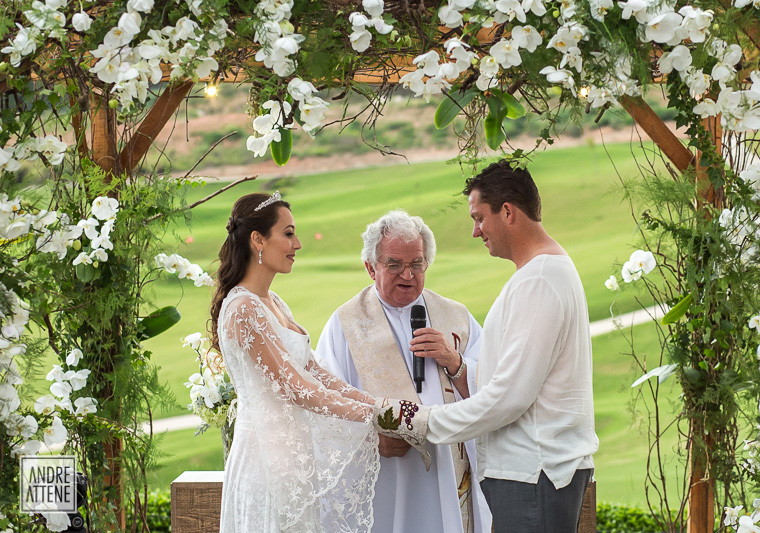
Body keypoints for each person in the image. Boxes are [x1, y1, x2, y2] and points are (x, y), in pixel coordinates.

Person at [418, 161, 600, 532]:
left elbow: (511, 396)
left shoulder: (541, 280)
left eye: (479, 218)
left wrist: (425, 422)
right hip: (531, 475)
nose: (475, 231)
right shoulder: (539, 274)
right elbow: (514, 378)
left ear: (508, 212)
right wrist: (458, 366)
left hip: (534, 475)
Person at [210, 191, 393, 533]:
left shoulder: (274, 301)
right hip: (264, 461)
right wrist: (373, 415)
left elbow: (316, 374)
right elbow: (295, 387)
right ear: (257, 239)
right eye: (289, 233)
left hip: (294, 464)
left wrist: (378, 403)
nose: (298, 243)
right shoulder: (244, 308)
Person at [316, 210, 492, 533]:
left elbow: (494, 389)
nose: (408, 275)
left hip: (447, 470)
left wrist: (454, 362)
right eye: (394, 264)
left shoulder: (456, 317)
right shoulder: (345, 326)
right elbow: (325, 407)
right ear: (371, 267)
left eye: (417, 264)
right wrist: (371, 442)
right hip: (386, 473)